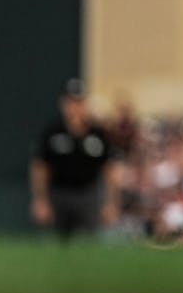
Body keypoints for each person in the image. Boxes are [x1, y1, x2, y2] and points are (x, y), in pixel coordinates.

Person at [29, 78, 122, 240]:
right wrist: (40, 200)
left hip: (88, 194)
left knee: (89, 242)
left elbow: (109, 170)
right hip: (59, 194)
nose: (75, 108)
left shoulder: (97, 134)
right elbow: (39, 167)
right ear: (63, 103)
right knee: (57, 243)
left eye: (79, 102)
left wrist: (111, 203)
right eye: (71, 102)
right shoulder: (53, 132)